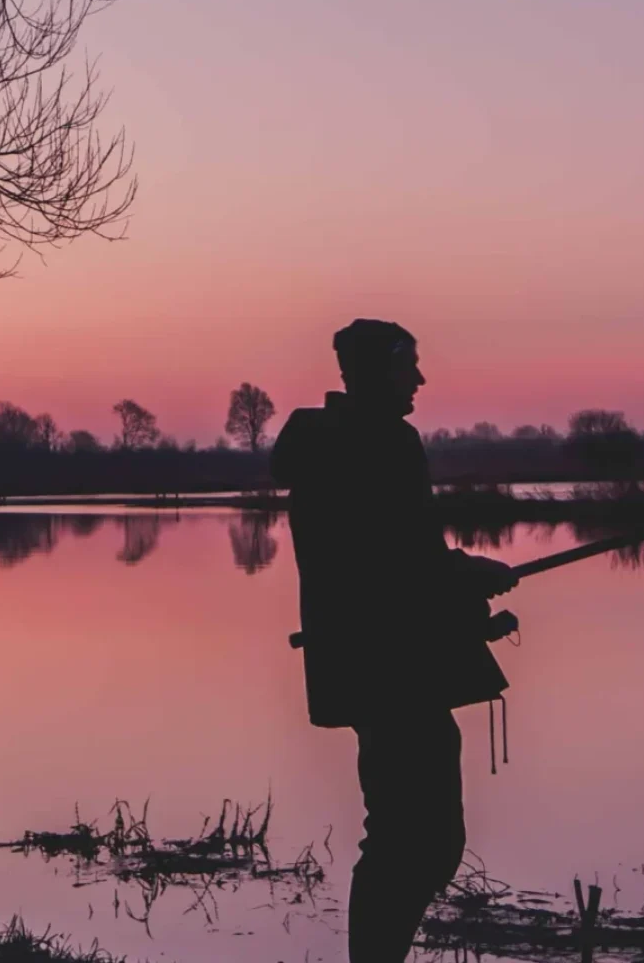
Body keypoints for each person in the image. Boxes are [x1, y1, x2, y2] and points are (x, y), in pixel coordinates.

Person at [270, 319, 519, 963]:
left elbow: (385, 564)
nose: (419, 378)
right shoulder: (383, 441)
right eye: (408, 364)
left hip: (371, 664)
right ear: (376, 370)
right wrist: (472, 574)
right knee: (418, 841)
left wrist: (465, 602)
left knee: (408, 837)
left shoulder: (335, 442)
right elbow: (402, 559)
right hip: (394, 672)